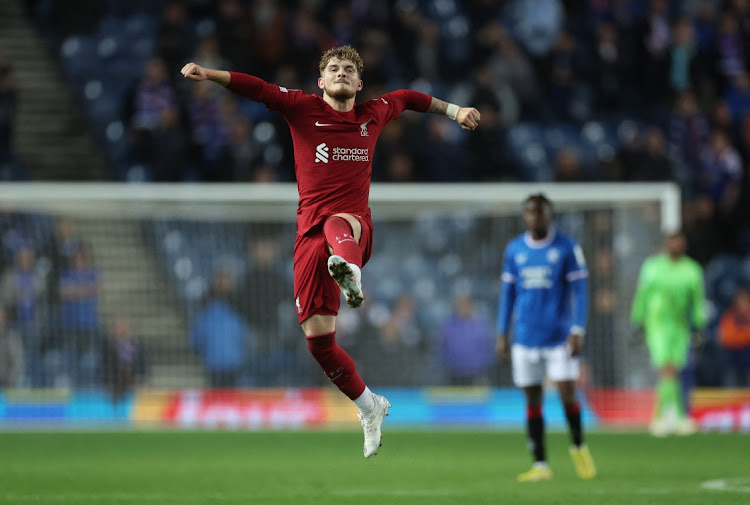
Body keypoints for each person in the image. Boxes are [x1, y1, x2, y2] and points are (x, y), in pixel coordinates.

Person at [181, 45, 481, 457]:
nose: (342, 72)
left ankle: (349, 272)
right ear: (320, 81)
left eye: (350, 69)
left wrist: (453, 111)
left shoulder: (372, 114)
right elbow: (259, 89)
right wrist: (210, 74)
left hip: (353, 230)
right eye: (333, 68)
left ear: (359, 83)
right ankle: (368, 405)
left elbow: (410, 97)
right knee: (319, 342)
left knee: (337, 223)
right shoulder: (302, 109)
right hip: (309, 240)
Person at [496, 193, 596, 482]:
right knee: (532, 399)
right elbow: (508, 294)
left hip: (559, 338)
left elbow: (581, 291)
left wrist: (579, 329)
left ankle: (578, 446)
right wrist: (502, 332)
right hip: (525, 338)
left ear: (550, 215)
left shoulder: (567, 248)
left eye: (541, 212)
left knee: (567, 394)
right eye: (530, 212)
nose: (535, 217)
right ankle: (541, 464)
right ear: (524, 216)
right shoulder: (514, 250)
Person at [631, 230, 707, 437]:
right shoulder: (653, 267)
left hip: (680, 325)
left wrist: (700, 325)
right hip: (657, 324)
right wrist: (638, 321)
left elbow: (697, 299)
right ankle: (671, 418)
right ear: (667, 244)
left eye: (679, 242)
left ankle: (667, 418)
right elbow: (643, 294)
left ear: (684, 245)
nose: (675, 246)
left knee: (674, 370)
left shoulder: (692, 270)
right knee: (667, 368)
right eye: (672, 242)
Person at [717, 287, 750, 387]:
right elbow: (726, 338)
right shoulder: (729, 316)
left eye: (744, 299)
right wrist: (745, 336)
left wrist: (738, 335)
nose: (741, 303)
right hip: (732, 360)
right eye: (739, 300)